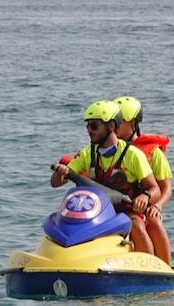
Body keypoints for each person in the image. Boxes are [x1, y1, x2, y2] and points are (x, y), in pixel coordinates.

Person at [50, 100, 163, 255]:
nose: (89, 130)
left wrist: (145, 196)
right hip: (95, 213)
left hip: (124, 211)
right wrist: (60, 171)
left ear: (111, 126)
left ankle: (148, 267)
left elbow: (155, 188)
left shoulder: (133, 155)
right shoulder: (87, 154)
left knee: (136, 225)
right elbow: (55, 183)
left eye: (94, 126)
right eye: (88, 126)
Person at [114, 95, 173, 263]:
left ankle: (163, 267)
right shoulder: (108, 150)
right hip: (118, 205)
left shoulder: (153, 153)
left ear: (132, 123)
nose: (115, 126)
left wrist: (158, 206)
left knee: (153, 220)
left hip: (145, 205)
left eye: (120, 122)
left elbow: (166, 187)